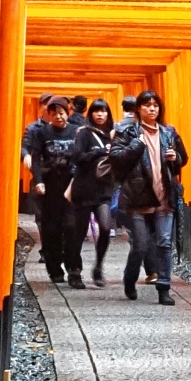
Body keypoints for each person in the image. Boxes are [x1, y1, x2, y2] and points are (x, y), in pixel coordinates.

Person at [110, 91, 187, 305]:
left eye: (155, 105)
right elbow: (116, 159)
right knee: (141, 245)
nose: (152, 109)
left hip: (164, 197)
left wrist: (176, 158)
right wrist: (138, 145)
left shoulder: (168, 133)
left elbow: (183, 159)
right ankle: (130, 278)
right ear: (138, 109)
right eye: (147, 105)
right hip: (137, 199)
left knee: (164, 243)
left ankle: (164, 287)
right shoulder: (127, 132)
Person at [27, 96, 84, 286]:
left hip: (71, 186)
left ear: (67, 113)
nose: (58, 117)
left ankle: (74, 270)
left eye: (61, 113)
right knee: (51, 229)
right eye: (54, 114)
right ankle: (54, 269)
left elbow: (81, 157)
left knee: (71, 228)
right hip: (50, 186)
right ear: (49, 115)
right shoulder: (43, 133)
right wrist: (38, 181)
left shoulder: (76, 132)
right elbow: (36, 159)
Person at [69, 98, 118, 287]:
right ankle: (74, 271)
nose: (100, 114)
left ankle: (98, 265)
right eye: (97, 111)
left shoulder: (112, 135)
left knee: (105, 228)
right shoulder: (84, 133)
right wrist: (98, 153)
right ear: (91, 114)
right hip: (83, 189)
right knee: (79, 232)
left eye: (104, 111)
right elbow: (77, 157)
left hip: (103, 189)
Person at [21, 92, 55, 264]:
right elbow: (24, 146)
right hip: (41, 174)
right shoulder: (34, 128)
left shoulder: (66, 128)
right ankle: (47, 250)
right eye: (47, 104)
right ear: (41, 107)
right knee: (42, 216)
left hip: (62, 177)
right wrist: (26, 155)